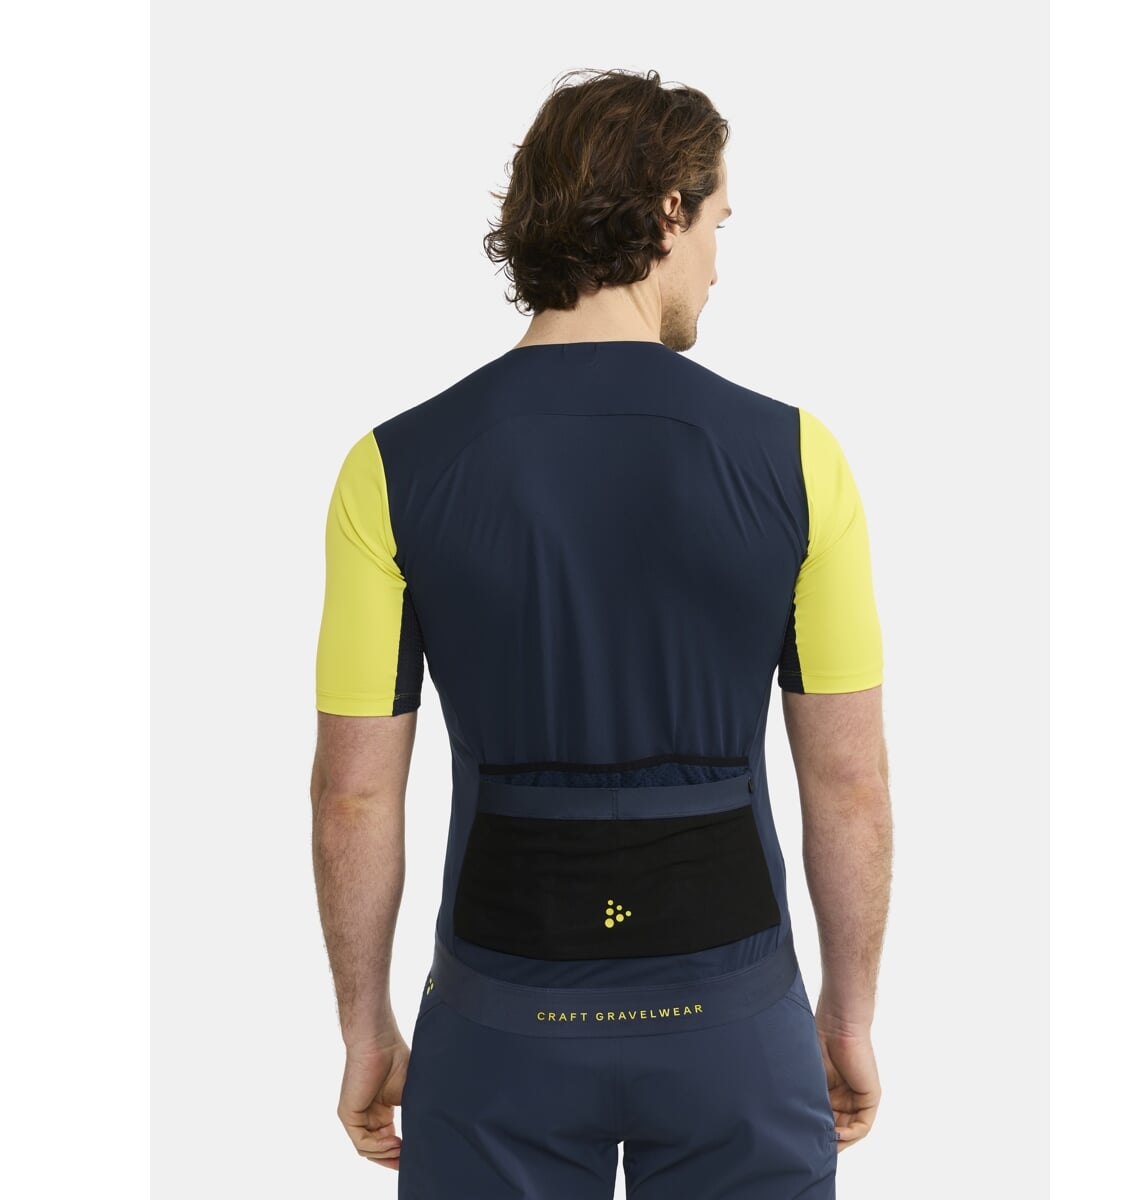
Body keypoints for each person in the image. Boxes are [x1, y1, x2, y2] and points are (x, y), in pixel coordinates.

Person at [311, 66, 892, 1199]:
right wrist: (849, 1016)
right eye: (718, 223)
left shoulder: (389, 470)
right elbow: (851, 783)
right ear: (668, 211)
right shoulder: (799, 461)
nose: (718, 264)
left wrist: (365, 1025)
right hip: (735, 1028)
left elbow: (354, 794)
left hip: (498, 1029)